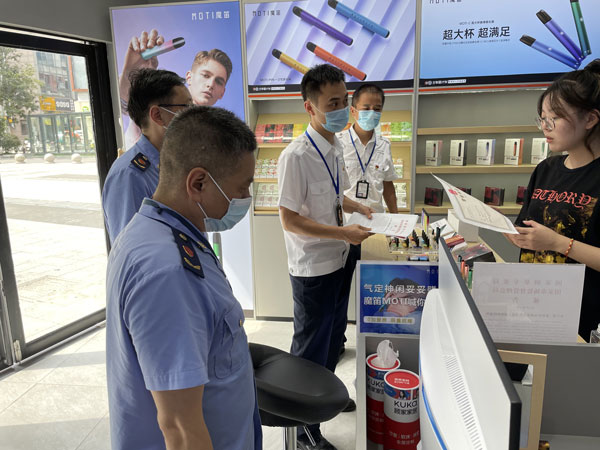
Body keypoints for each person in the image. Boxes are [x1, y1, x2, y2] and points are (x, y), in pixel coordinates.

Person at [106, 106, 261, 450]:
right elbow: (179, 428)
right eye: (242, 188)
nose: (245, 199)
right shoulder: (169, 273)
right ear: (198, 183)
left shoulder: (162, 230)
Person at [277, 64, 374, 450]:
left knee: (333, 338)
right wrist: (343, 232)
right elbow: (289, 219)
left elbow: (334, 196)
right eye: (333, 103)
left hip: (340, 258)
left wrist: (357, 207)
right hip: (313, 269)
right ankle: (303, 427)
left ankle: (325, 398)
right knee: (309, 348)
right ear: (310, 107)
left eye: (345, 101)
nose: (342, 109)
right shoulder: (296, 156)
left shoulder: (334, 147)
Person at [506, 59, 600, 341]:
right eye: (542, 118)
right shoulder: (546, 169)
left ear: (590, 119)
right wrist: (513, 232)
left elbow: (553, 240)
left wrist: (558, 243)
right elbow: (527, 230)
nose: (545, 126)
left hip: (583, 322)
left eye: (554, 118)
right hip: (533, 307)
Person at [102, 68, 192, 243]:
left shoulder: (175, 163)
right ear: (157, 115)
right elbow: (130, 249)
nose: (194, 115)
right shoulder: (129, 175)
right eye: (187, 107)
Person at [119, 29, 233, 147]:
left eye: (218, 81)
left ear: (222, 92)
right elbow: (125, 105)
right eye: (206, 75)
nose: (211, 84)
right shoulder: (160, 100)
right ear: (189, 77)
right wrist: (130, 75)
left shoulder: (218, 135)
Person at [338, 83, 399, 215]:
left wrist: (396, 217)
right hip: (347, 220)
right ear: (353, 111)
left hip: (376, 218)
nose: (372, 113)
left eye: (377, 109)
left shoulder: (384, 145)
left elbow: (388, 186)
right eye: (366, 109)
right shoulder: (338, 143)